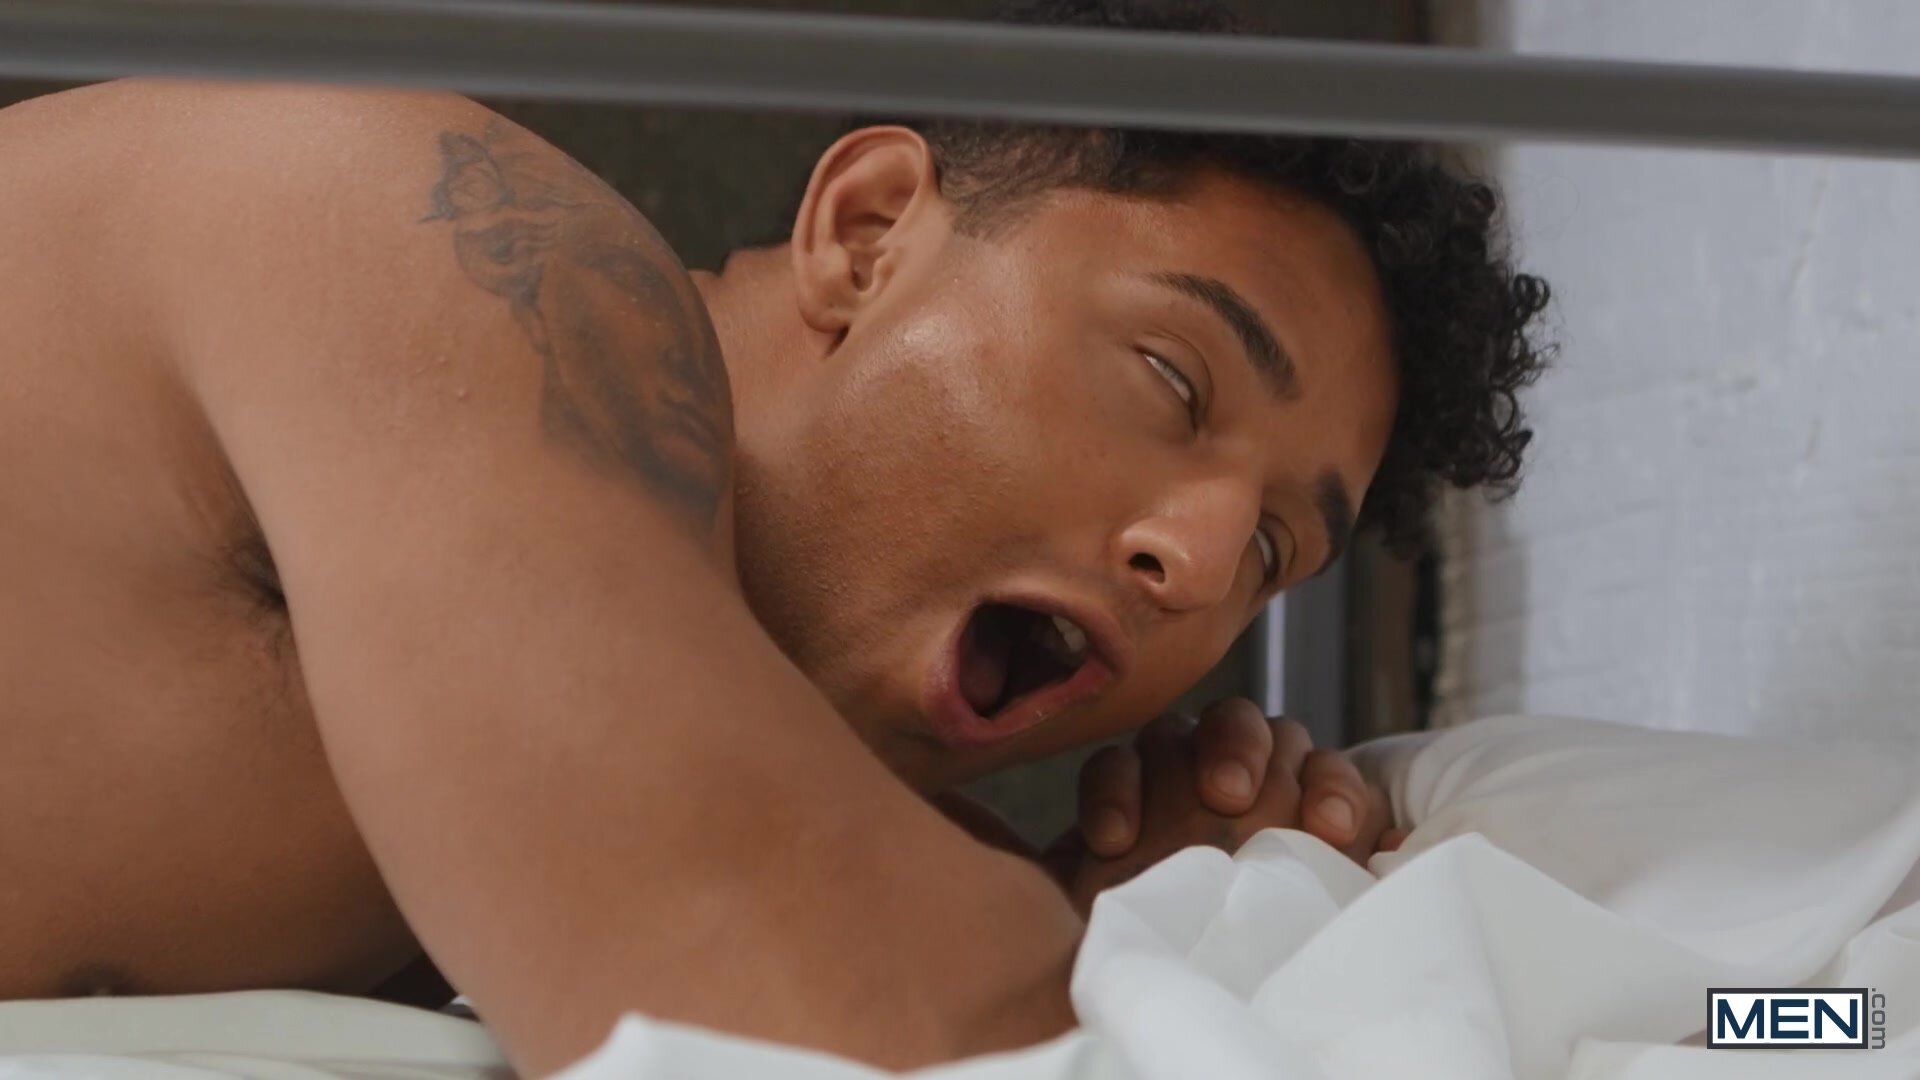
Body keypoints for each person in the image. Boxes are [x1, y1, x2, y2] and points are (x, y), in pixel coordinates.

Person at [0, 0, 1549, 1071]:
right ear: (867, 235)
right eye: (1169, 377)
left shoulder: (644, 749)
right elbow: (795, 1006)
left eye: (1276, 553)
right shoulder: (456, 263)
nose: (1200, 566)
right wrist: (1158, 957)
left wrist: (1142, 906)